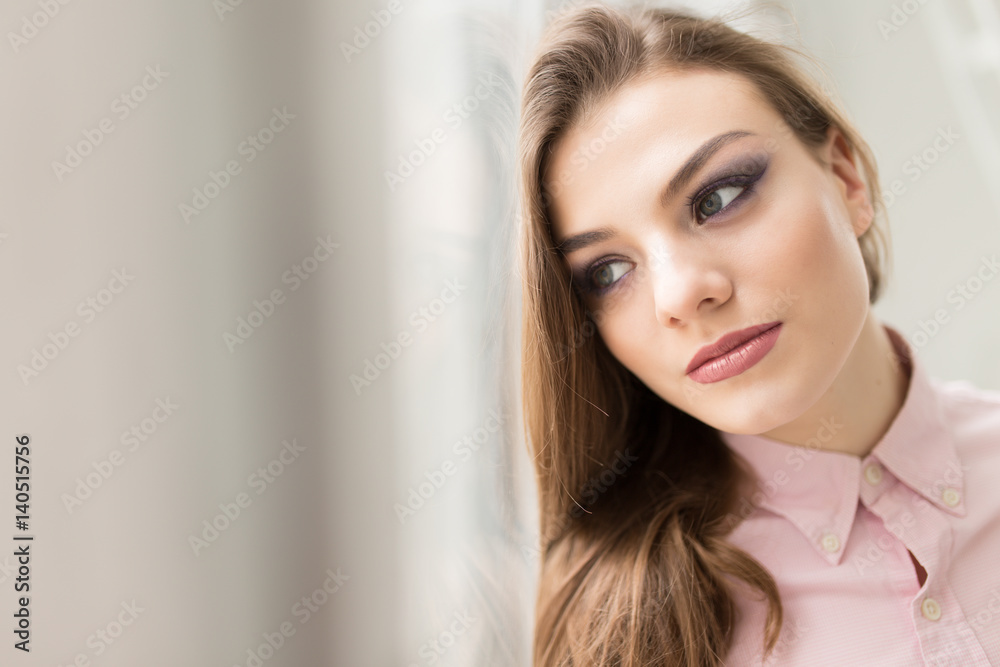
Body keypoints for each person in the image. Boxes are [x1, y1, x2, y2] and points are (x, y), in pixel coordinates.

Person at [515, 2, 1000, 665]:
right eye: (608, 270)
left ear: (845, 177)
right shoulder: (618, 631)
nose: (682, 292)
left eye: (716, 199)